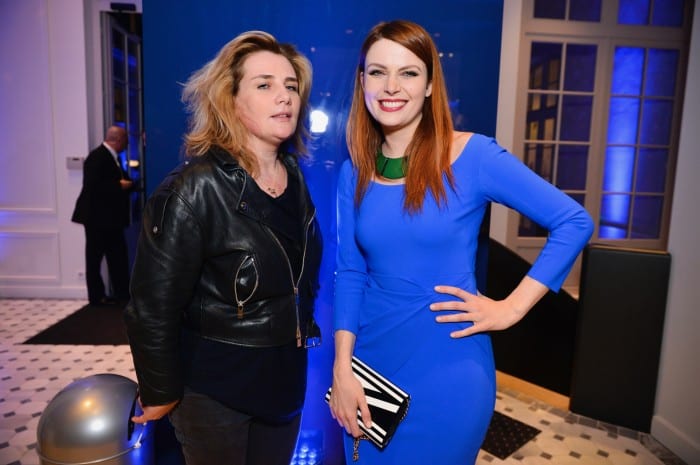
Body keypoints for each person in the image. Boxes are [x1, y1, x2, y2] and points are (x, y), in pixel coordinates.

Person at [327, 20, 594, 464]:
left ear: (431, 84)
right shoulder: (353, 171)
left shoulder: (473, 156)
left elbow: (573, 221)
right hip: (368, 366)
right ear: (362, 81)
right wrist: (342, 368)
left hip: (448, 370)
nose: (391, 86)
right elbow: (350, 272)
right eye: (377, 72)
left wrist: (511, 309)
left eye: (409, 73)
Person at [123, 31, 323, 465]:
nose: (284, 96)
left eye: (291, 86)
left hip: (284, 385)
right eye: (264, 85)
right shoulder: (192, 188)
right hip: (214, 393)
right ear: (229, 101)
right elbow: (152, 304)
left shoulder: (295, 179)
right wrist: (159, 389)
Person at [71, 125, 133, 306]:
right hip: (97, 218)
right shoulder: (97, 157)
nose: (127, 144)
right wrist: (119, 186)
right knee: (95, 257)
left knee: (116, 255)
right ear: (118, 140)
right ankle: (96, 296)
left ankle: (121, 294)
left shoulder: (111, 158)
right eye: (125, 140)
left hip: (110, 219)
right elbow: (93, 186)